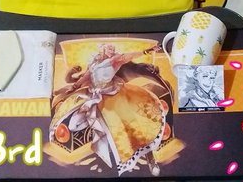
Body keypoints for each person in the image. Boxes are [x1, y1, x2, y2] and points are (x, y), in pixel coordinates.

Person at [50, 43, 166, 176]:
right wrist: (75, 86)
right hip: (95, 96)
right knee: (75, 124)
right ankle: (101, 154)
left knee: (132, 128)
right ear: (103, 49)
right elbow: (87, 76)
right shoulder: (95, 62)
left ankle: (150, 159)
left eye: (113, 48)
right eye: (109, 48)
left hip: (115, 98)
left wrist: (146, 51)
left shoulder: (115, 60)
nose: (112, 49)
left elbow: (129, 56)